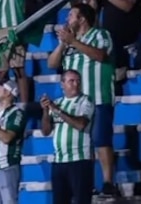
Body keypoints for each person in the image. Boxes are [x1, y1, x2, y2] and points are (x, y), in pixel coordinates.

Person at [48, 3, 116, 196]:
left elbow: (101, 55)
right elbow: (52, 63)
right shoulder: (69, 42)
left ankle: (108, 182)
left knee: (101, 140)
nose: (67, 19)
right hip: (77, 103)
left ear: (82, 19)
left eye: (71, 15)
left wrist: (74, 42)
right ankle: (90, 183)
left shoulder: (100, 35)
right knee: (84, 145)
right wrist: (63, 43)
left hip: (98, 97)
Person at [41, 69, 95, 204]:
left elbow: (81, 124)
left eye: (78, 81)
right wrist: (46, 111)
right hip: (59, 161)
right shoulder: (57, 102)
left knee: (82, 200)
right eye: (71, 81)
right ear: (62, 84)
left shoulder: (86, 100)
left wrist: (57, 110)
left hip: (80, 160)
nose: (75, 84)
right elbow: (46, 131)